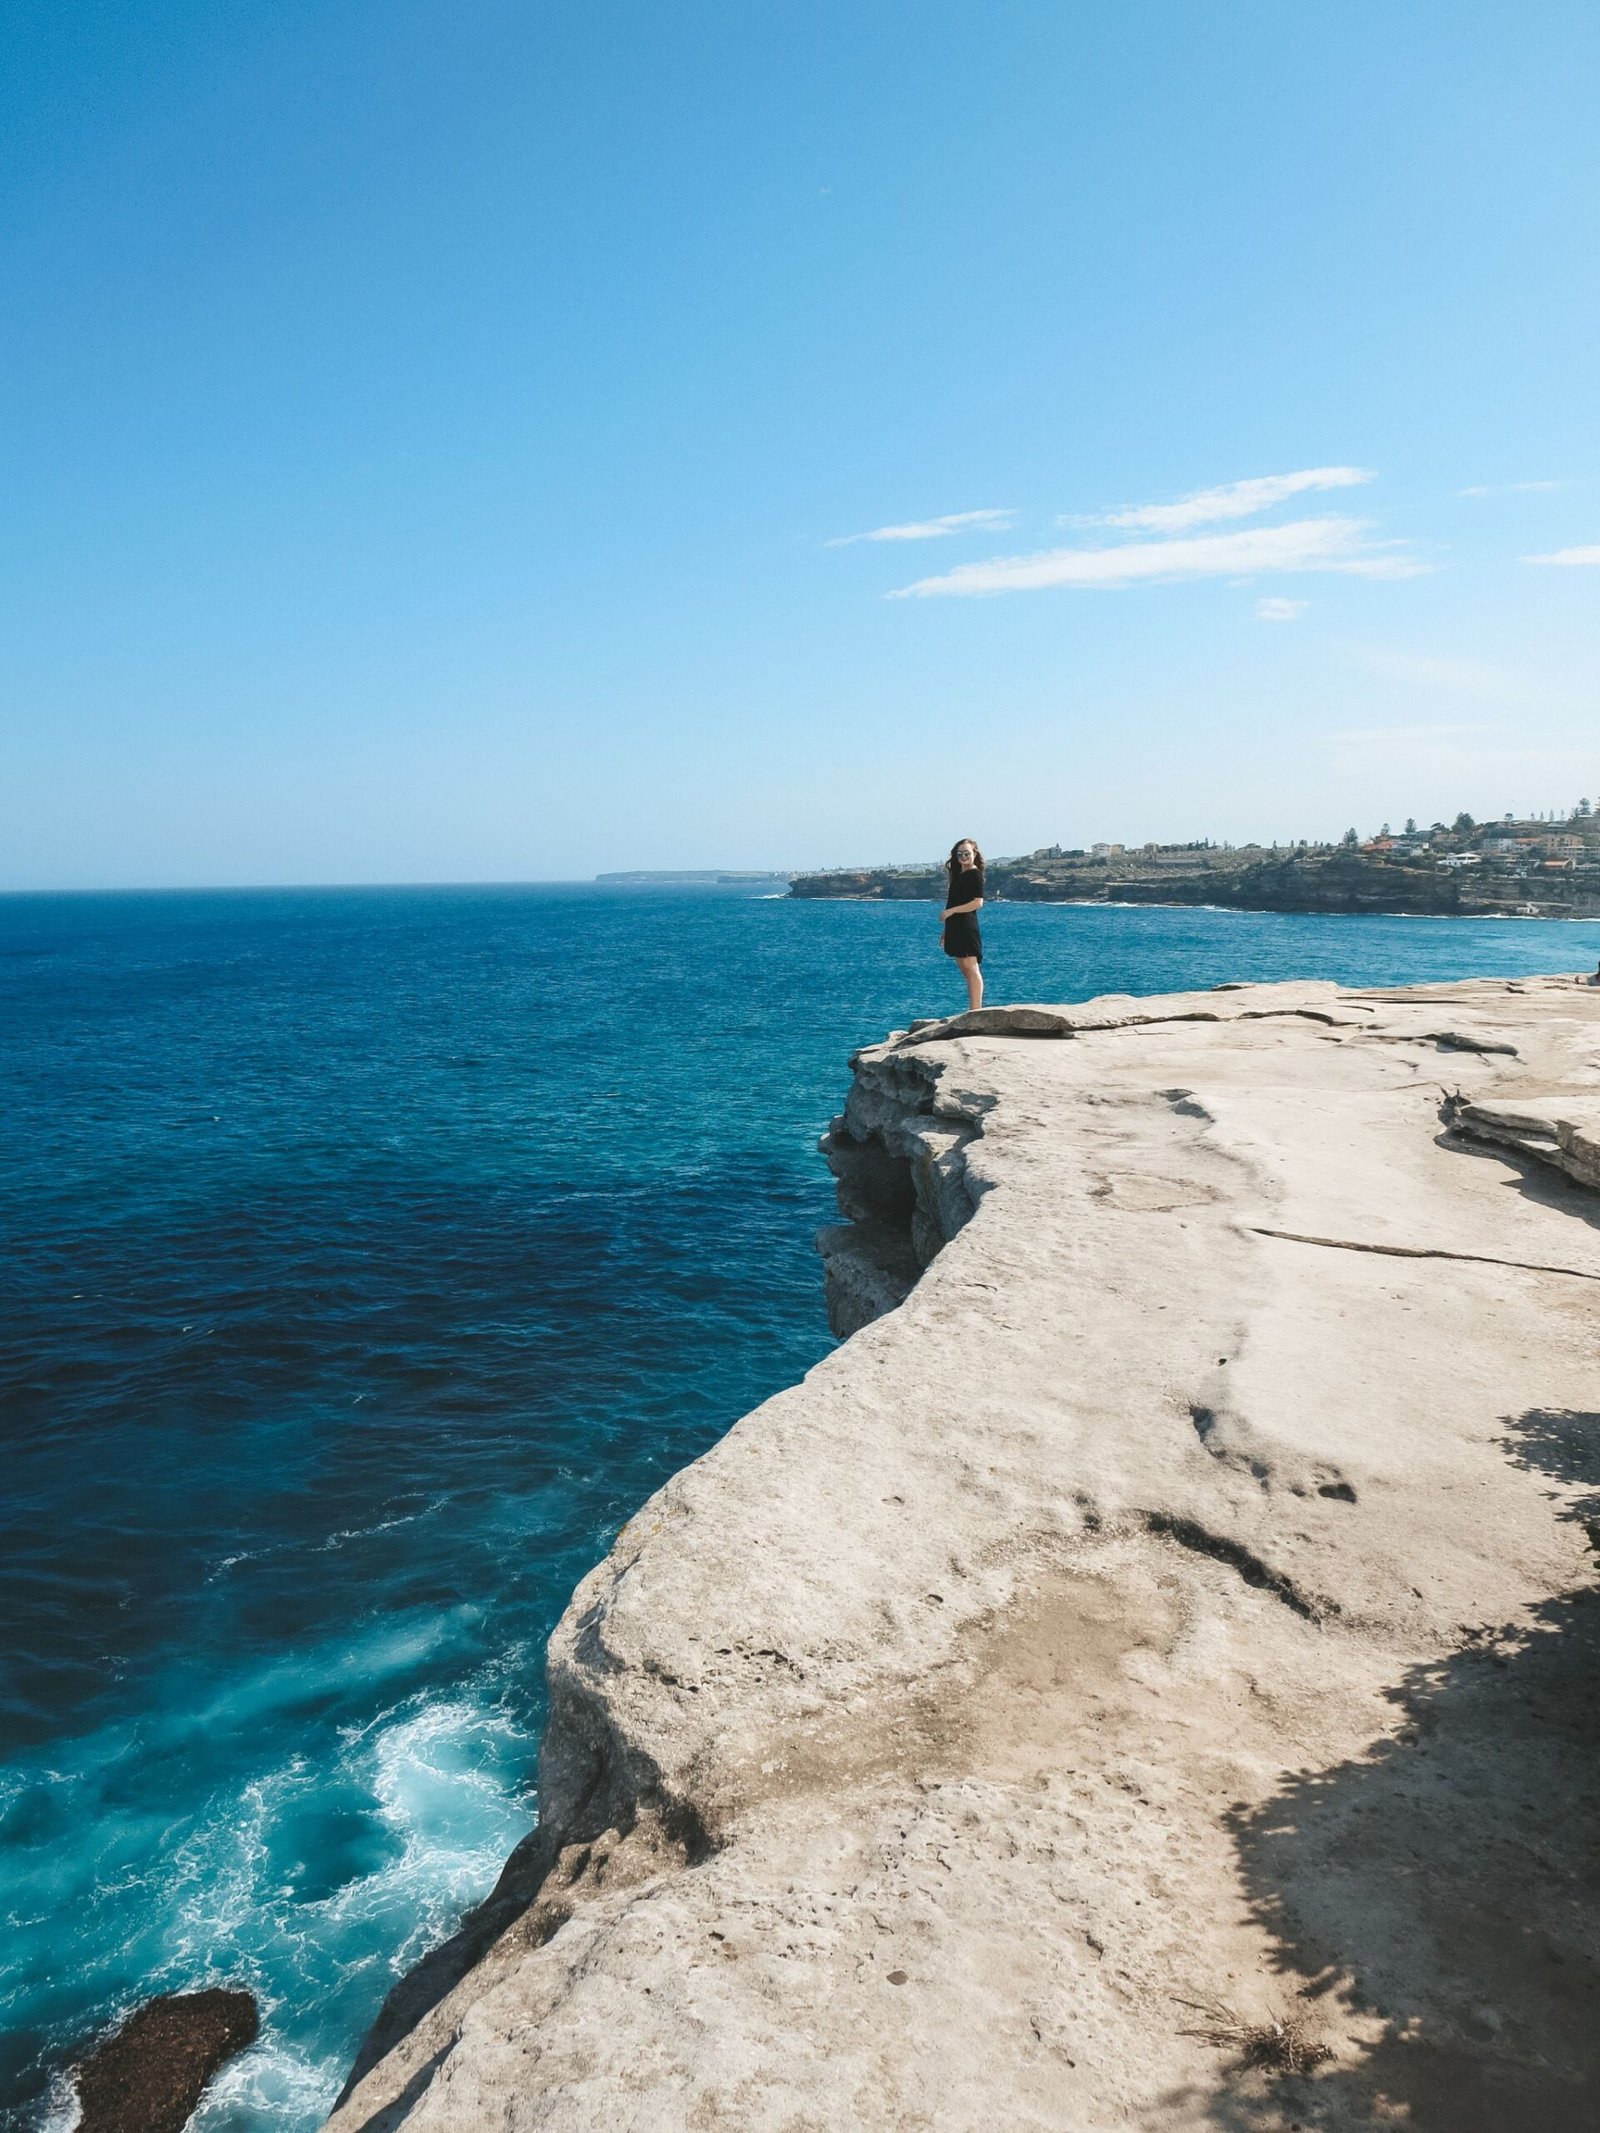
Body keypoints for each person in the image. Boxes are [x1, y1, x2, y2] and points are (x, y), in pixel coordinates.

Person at [941, 837, 985, 1011]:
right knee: (964, 969)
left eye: (967, 853)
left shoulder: (974, 874)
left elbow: (978, 902)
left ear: (974, 854)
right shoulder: (960, 875)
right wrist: (947, 930)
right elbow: (953, 901)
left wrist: (950, 912)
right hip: (955, 926)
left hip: (966, 925)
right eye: (960, 854)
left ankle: (976, 1009)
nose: (963, 856)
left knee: (971, 968)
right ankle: (973, 1008)